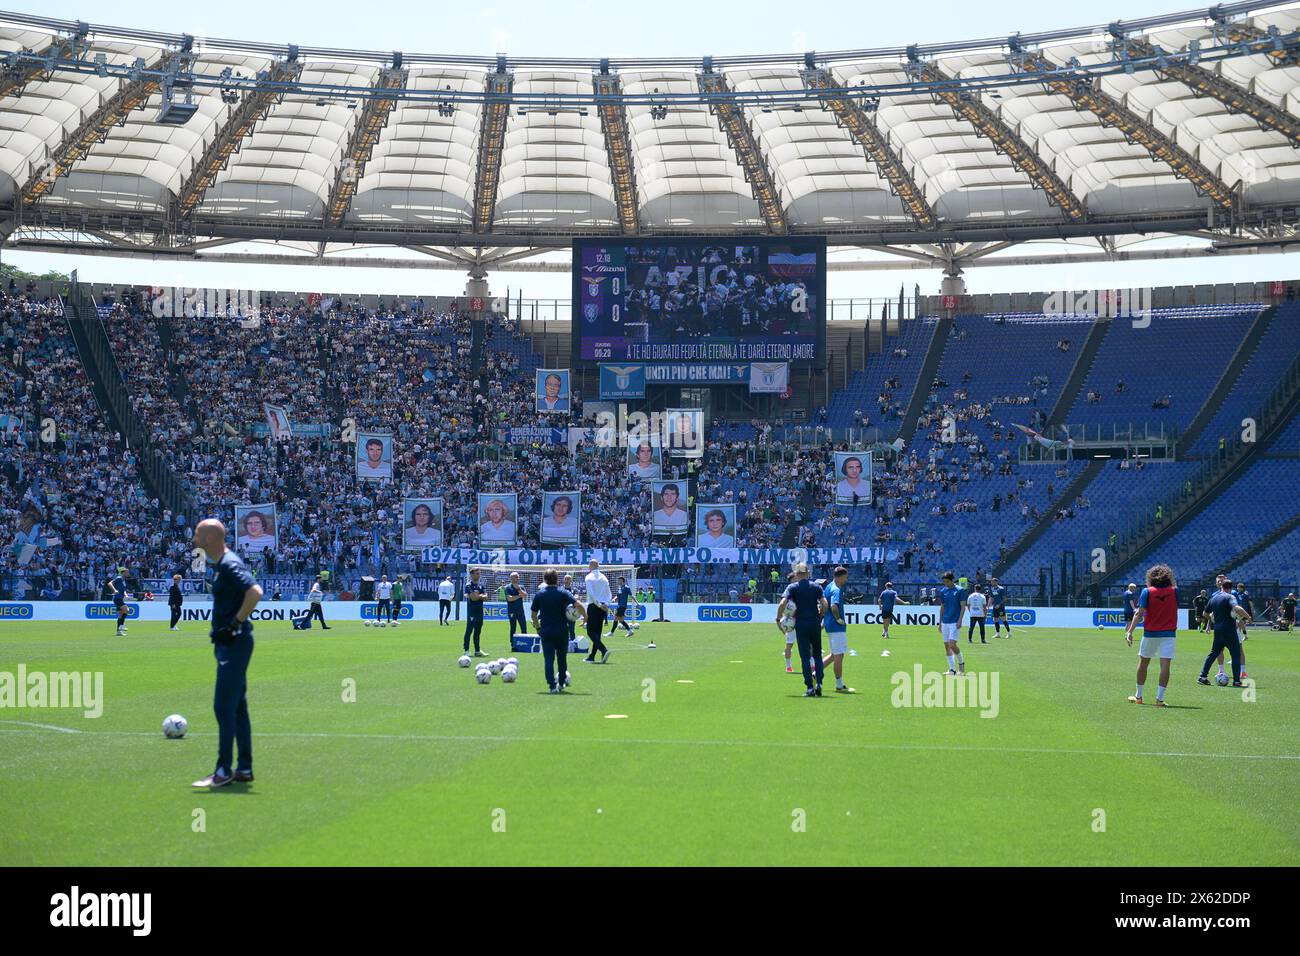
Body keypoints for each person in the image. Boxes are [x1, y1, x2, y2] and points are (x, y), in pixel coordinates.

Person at [191, 518, 263, 789]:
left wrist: (235, 624)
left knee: (223, 706)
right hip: (231, 642)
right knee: (238, 706)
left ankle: (223, 769)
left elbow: (255, 592)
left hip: (234, 642)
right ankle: (244, 767)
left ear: (209, 538)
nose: (195, 539)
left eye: (198, 534)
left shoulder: (229, 564)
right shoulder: (221, 564)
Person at [1125, 563, 1179, 707]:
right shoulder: (1174, 591)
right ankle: (1159, 700)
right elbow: (1175, 588)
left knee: (1143, 662)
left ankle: (1139, 696)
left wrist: (1130, 631)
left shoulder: (1147, 592)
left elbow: (1139, 613)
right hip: (1169, 633)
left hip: (1150, 633)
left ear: (1151, 578)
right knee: (1165, 665)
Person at [531, 567, 586, 693]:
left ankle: (551, 686)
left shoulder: (540, 594)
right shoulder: (563, 593)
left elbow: (534, 615)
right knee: (562, 659)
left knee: (549, 659)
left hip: (546, 631)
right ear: (557, 579)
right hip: (561, 631)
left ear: (545, 579)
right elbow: (578, 604)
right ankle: (561, 683)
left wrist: (538, 627)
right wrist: (585, 617)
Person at [777, 563, 828, 697]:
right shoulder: (816, 587)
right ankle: (820, 684)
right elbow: (824, 603)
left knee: (805, 657)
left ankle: (810, 687)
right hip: (814, 623)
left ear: (796, 573)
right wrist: (821, 615)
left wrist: (778, 619)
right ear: (808, 573)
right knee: (817, 655)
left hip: (801, 624)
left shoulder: (792, 587)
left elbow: (782, 603)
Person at [1197, 575, 1250, 688]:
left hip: (1218, 629)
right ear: (1230, 588)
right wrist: (1248, 617)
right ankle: (1236, 681)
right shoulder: (1230, 597)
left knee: (1213, 653)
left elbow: (1205, 614)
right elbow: (1237, 609)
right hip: (1229, 630)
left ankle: (1203, 677)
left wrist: (1213, 618)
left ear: (1221, 586)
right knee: (1235, 654)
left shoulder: (1214, 598)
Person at [820, 566, 854, 693]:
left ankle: (815, 673)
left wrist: (823, 622)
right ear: (840, 576)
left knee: (834, 655)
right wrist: (838, 618)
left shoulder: (828, 587)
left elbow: (824, 606)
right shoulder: (836, 589)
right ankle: (839, 685)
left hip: (829, 625)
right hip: (836, 626)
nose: (846, 579)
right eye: (846, 576)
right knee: (839, 655)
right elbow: (834, 606)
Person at [937, 571, 967, 676]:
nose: (946, 584)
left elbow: (963, 606)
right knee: (946, 646)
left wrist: (960, 620)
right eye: (944, 582)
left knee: (952, 644)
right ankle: (952, 670)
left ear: (952, 580)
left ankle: (961, 665)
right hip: (945, 622)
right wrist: (940, 622)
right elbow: (942, 607)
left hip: (954, 622)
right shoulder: (943, 591)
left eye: (947, 582)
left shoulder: (960, 590)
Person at [582, 560, 612, 663]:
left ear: (591, 566)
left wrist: (599, 604)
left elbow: (591, 594)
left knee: (590, 632)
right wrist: (606, 604)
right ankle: (592, 656)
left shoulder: (589, 577)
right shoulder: (604, 578)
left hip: (594, 605)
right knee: (597, 632)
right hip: (603, 607)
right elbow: (609, 593)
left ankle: (604, 649)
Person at [608, 575, 641, 641]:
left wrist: (637, 603)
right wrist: (614, 599)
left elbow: (632, 596)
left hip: (622, 606)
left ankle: (611, 633)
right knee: (621, 620)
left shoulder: (626, 588)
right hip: (619, 605)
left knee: (616, 618)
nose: (618, 581)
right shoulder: (620, 588)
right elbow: (617, 596)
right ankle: (630, 631)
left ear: (622, 581)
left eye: (619, 580)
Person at [463, 568, 486, 656]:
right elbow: (473, 598)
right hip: (472, 611)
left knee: (478, 631)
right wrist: (481, 596)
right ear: (472, 575)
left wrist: (478, 595)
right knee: (469, 630)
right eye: (477, 573)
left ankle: (477, 650)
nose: (478, 575)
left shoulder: (481, 585)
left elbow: (486, 597)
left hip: (480, 611)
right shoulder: (469, 585)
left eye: (479, 573)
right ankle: (466, 650)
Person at [505, 572, 529, 643]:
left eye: (518, 577)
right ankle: (513, 643)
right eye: (516, 577)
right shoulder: (507, 587)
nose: (518, 578)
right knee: (513, 627)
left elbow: (525, 596)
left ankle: (525, 643)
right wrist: (519, 596)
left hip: (520, 610)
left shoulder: (521, 587)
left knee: (523, 626)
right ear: (511, 578)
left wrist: (518, 590)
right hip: (512, 611)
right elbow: (509, 598)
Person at [109, 567, 129, 637]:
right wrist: (114, 590)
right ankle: (122, 626)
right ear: (123, 573)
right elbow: (110, 583)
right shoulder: (119, 578)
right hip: (117, 598)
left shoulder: (123, 580)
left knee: (120, 615)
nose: (128, 573)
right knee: (126, 609)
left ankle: (118, 632)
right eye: (127, 572)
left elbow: (123, 590)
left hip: (120, 598)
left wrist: (126, 594)